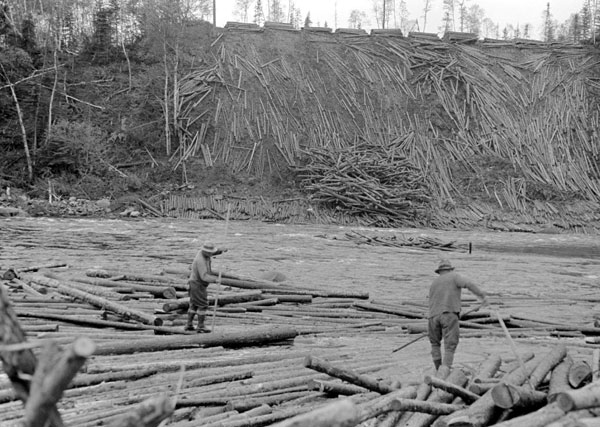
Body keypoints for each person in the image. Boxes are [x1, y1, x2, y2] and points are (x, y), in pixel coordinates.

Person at [428, 259, 488, 370]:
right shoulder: (454, 276)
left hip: (432, 317)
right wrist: (482, 296)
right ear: (450, 270)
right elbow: (469, 284)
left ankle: (438, 370)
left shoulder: (434, 283)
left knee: (435, 344)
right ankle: (444, 371)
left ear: (440, 272)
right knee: (450, 346)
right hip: (448, 314)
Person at [185, 242, 229, 333]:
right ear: (205, 251)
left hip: (194, 283)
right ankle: (200, 326)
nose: (211, 254)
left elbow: (212, 253)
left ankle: (189, 324)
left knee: (193, 304)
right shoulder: (200, 260)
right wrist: (215, 280)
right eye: (209, 253)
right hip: (197, 284)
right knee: (202, 305)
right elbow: (204, 276)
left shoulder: (203, 253)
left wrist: (220, 250)